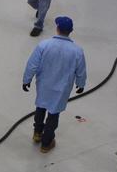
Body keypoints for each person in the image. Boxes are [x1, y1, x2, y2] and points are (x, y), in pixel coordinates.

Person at [22, 16, 87, 154]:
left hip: (44, 85)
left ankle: (37, 133)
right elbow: (81, 70)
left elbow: (32, 64)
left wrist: (26, 80)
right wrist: (80, 84)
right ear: (71, 31)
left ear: (57, 28)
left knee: (40, 108)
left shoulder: (44, 45)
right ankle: (46, 143)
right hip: (61, 89)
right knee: (53, 114)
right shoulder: (77, 51)